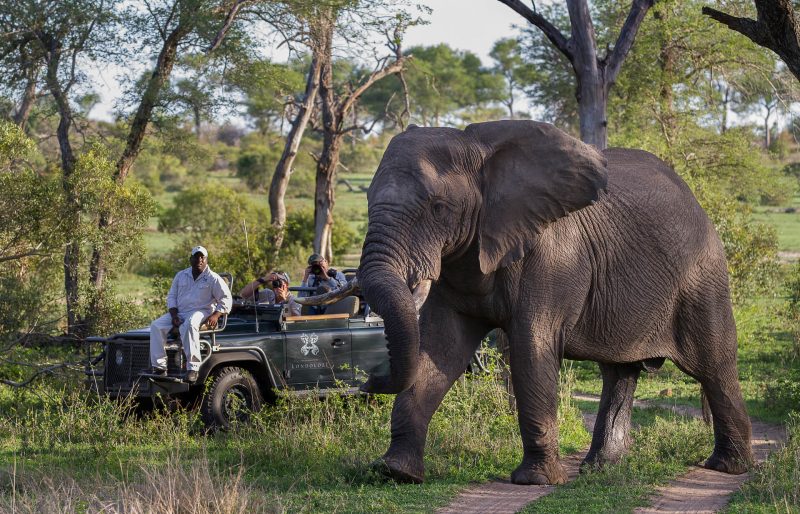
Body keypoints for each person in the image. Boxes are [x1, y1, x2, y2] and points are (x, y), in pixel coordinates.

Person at [150, 245, 232, 383]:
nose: (199, 260)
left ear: (206, 260)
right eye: (196, 257)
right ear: (191, 259)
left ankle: (193, 368)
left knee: (189, 324)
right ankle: (160, 367)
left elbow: (226, 298)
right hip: (180, 312)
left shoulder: (213, 278)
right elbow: (172, 297)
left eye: (202, 257)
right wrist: (174, 315)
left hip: (202, 311)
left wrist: (216, 315)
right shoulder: (181, 275)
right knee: (156, 325)